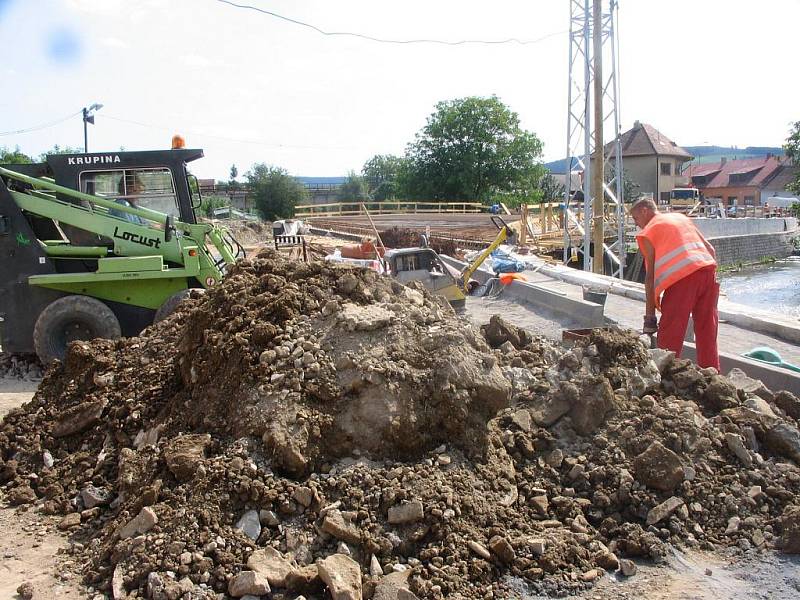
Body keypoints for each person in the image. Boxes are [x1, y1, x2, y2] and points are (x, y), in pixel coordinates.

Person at [630, 198, 720, 371]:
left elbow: (650, 279)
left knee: (670, 331)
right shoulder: (681, 218)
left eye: (635, 218)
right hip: (708, 271)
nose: (636, 224)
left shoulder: (650, 231)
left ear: (644, 211)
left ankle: (665, 376)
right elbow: (711, 249)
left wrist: (649, 320)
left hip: (684, 279)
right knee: (707, 330)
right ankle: (713, 376)